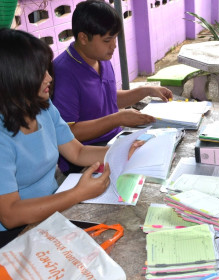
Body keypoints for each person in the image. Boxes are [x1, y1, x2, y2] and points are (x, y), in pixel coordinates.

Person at [0, 28, 115, 239]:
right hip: (15, 234)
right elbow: (10, 214)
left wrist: (122, 150)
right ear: (13, 77)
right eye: (39, 72)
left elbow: (77, 152)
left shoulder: (42, 107)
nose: (49, 78)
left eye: (47, 69)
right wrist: (78, 193)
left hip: (53, 209)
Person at [52, 0, 173, 174]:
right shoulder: (63, 72)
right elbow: (69, 132)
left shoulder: (100, 57)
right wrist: (117, 119)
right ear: (83, 38)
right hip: (85, 156)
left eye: (115, 37)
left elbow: (107, 98)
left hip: (115, 139)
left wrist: (146, 90)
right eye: (107, 40)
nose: (114, 45)